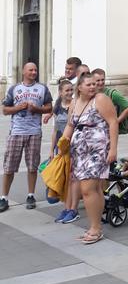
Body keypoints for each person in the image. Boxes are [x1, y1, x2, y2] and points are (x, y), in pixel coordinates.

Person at [62, 73, 118, 244]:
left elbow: (113, 122)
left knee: (87, 189)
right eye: (89, 84)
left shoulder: (100, 99)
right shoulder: (75, 103)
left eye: (94, 84)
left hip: (97, 151)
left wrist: (113, 149)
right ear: (79, 87)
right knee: (94, 190)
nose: (93, 87)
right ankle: (96, 225)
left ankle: (95, 228)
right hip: (79, 152)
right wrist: (61, 146)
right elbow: (70, 125)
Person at [0, 62, 53, 211]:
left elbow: (49, 107)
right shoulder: (14, 89)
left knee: (32, 166)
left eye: (35, 69)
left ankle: (31, 195)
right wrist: (18, 107)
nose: (34, 72)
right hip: (16, 131)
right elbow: (5, 110)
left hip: (34, 132)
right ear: (24, 71)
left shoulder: (42, 88)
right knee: (9, 166)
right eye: (31, 70)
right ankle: (3, 197)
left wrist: (37, 108)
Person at [49, 79, 79, 224]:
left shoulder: (75, 105)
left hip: (72, 147)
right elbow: (55, 130)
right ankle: (66, 208)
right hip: (61, 147)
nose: (69, 93)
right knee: (65, 179)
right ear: (60, 92)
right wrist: (51, 149)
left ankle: (73, 209)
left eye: (71, 90)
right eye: (66, 90)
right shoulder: (57, 107)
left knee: (72, 179)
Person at [91, 69, 128, 135]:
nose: (101, 82)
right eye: (98, 80)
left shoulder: (113, 94)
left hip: (108, 131)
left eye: (102, 80)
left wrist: (117, 121)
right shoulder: (90, 94)